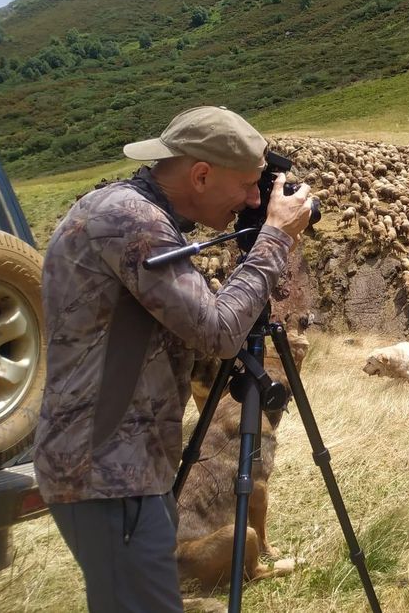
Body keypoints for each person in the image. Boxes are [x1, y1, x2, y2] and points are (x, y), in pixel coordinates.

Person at [33, 106, 315, 611]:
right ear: (201, 175)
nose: (254, 199)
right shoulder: (131, 222)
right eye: (249, 186)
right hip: (109, 473)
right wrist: (273, 238)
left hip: (123, 469)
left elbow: (196, 330)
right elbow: (218, 331)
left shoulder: (134, 214)